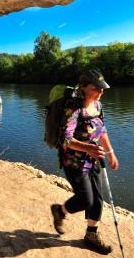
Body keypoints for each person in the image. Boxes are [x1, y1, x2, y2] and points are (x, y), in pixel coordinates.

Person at [50, 69, 119, 254]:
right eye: (97, 88)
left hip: (93, 160)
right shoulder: (73, 108)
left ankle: (91, 235)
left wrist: (111, 152)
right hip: (74, 163)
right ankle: (60, 211)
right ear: (83, 88)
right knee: (85, 200)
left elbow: (101, 130)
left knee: (97, 200)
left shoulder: (97, 106)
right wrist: (88, 147)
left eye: (103, 88)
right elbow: (66, 140)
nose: (101, 92)